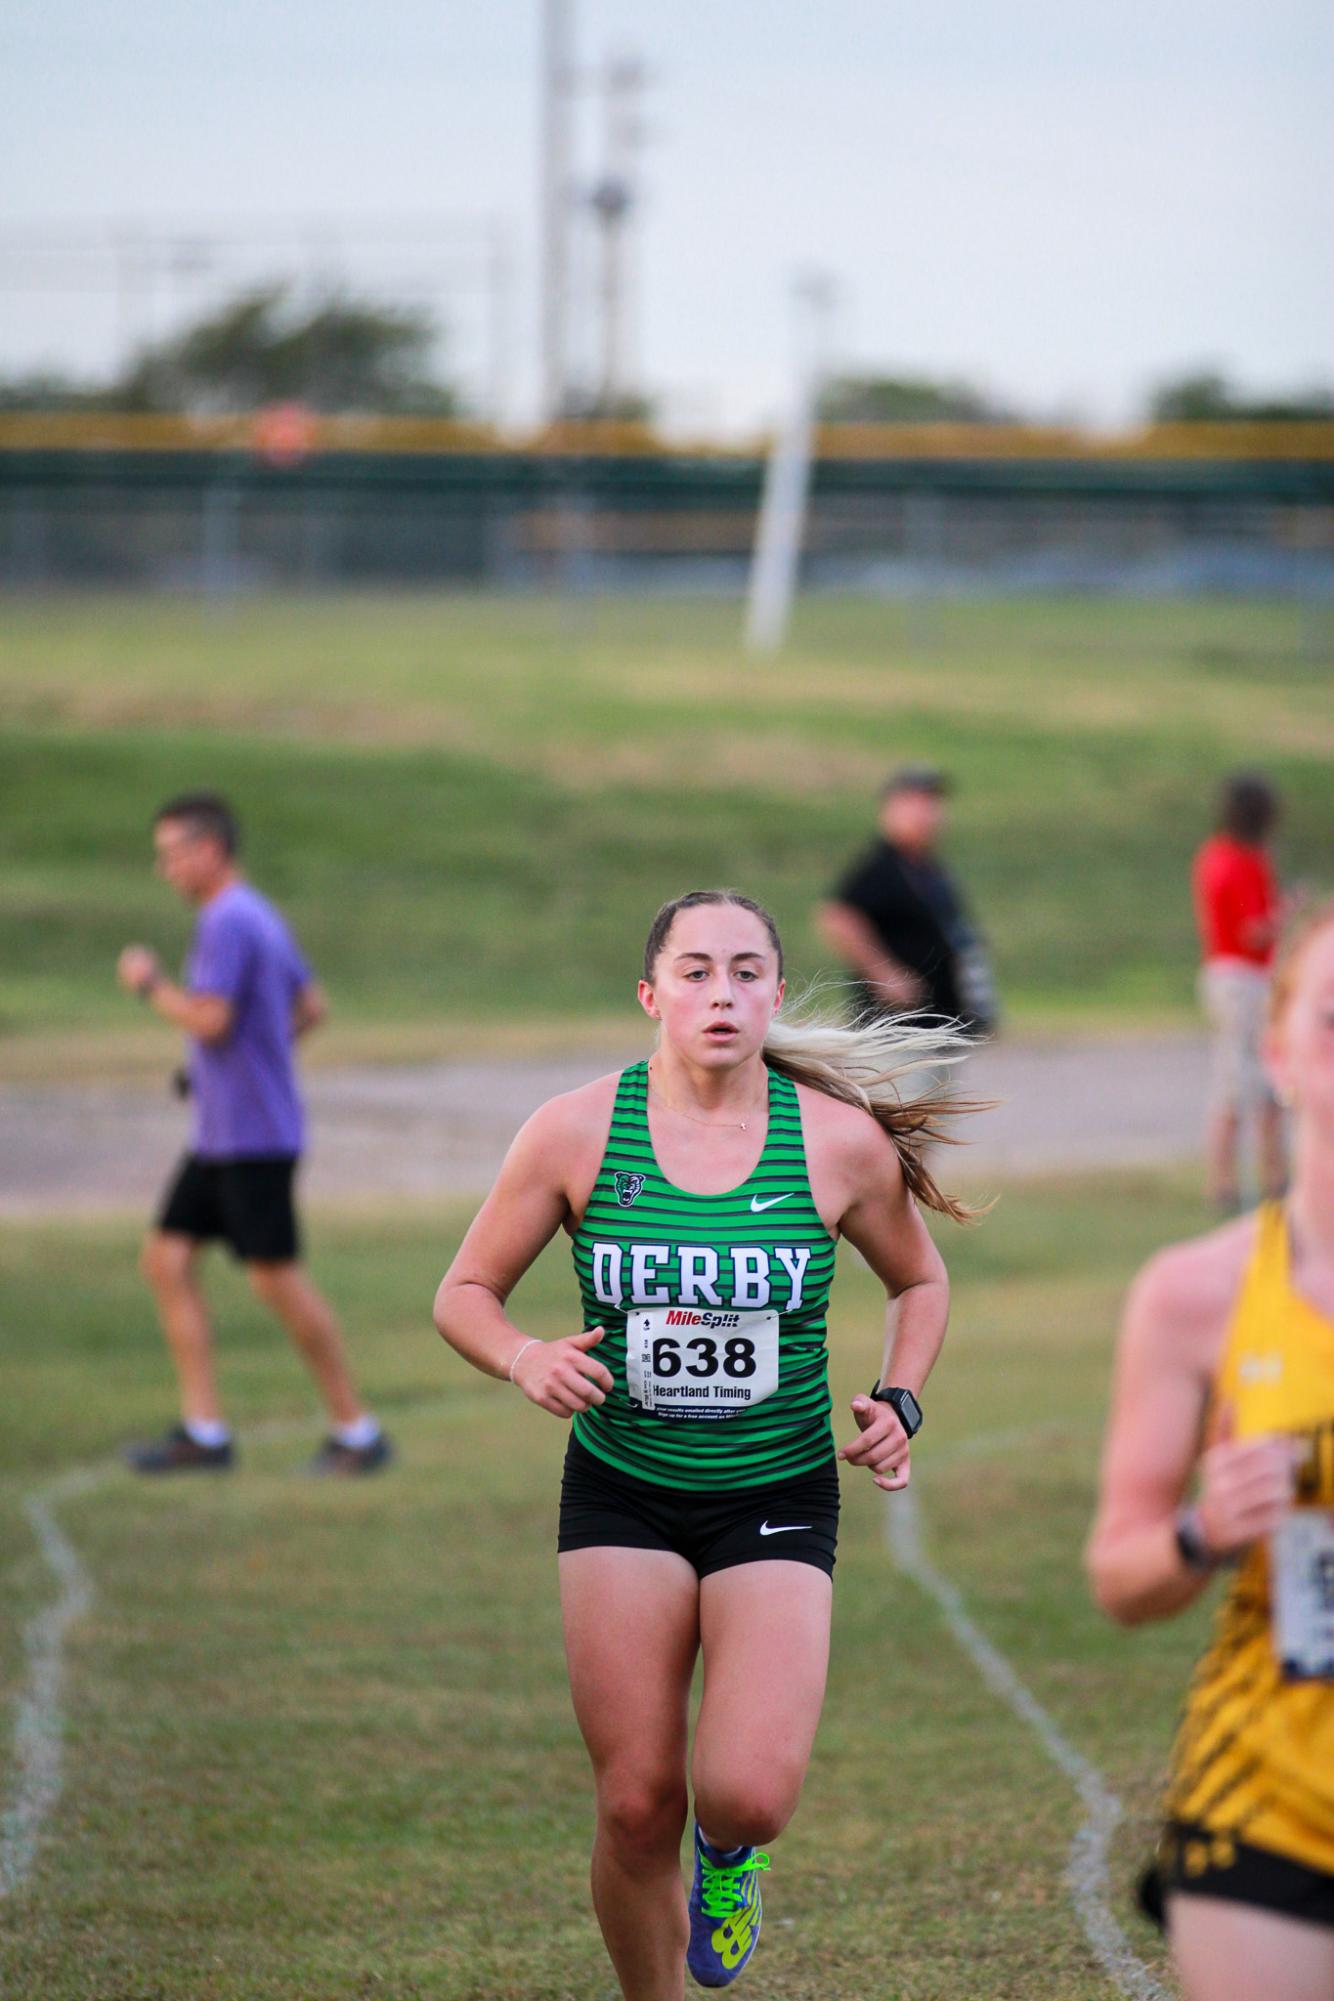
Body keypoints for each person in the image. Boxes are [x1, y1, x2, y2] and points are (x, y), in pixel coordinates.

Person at [433, 888, 980, 1999]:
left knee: (744, 1794)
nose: (719, 993)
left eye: (743, 972)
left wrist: (899, 1399)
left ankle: (729, 1861)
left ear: (775, 994)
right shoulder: (574, 1130)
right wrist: (522, 1356)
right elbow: (464, 1291)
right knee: (635, 1802)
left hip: (773, 1493)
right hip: (621, 1490)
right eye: (692, 972)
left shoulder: (835, 1143)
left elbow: (917, 1279)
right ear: (650, 995)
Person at [1086, 901, 1334, 2001]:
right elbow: (1120, 1574)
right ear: (1275, 1055)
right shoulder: (1195, 1295)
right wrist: (1199, 1530)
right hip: (1270, 1804)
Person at [115, 790, 391, 1477]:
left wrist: (148, 983)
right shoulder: (257, 913)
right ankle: (205, 1433)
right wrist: (234, 1073)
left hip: (251, 1139)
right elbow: (312, 1006)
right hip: (223, 1133)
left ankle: (356, 1430)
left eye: (174, 853)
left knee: (276, 1280)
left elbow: (210, 1020)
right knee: (167, 1260)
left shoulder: (226, 922)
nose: (166, 868)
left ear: (210, 850)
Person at [817, 764, 997, 1037]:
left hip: (938, 1021)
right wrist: (884, 975)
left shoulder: (928, 869)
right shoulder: (881, 867)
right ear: (890, 809)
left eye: (932, 805)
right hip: (898, 1029)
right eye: (916, 804)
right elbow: (838, 917)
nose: (928, 815)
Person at [1192, 770, 1287, 1210]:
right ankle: (1227, 1183)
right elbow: (1254, 931)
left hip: (1225, 973)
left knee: (1260, 1080)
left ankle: (1267, 1176)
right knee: (1240, 1080)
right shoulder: (1241, 860)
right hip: (1243, 976)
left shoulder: (1213, 854)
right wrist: (1292, 913)